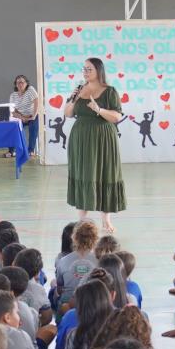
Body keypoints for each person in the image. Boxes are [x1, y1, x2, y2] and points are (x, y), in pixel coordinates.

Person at [66, 56, 126, 233]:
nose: (85, 72)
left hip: (103, 138)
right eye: (83, 69)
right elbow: (67, 113)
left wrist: (98, 110)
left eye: (89, 69)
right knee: (83, 173)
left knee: (104, 173)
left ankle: (106, 219)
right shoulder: (79, 90)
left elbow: (116, 116)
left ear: (99, 71)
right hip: (81, 138)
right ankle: (82, 220)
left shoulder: (110, 91)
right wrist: (73, 99)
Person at [9, 72, 39, 162]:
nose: (20, 84)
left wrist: (33, 116)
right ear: (15, 84)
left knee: (33, 127)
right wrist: (22, 117)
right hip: (20, 117)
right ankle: (12, 151)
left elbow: (37, 102)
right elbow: (12, 111)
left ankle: (30, 150)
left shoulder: (30, 90)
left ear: (26, 83)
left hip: (32, 115)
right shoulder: (13, 95)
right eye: (18, 82)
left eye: (22, 82)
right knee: (12, 127)